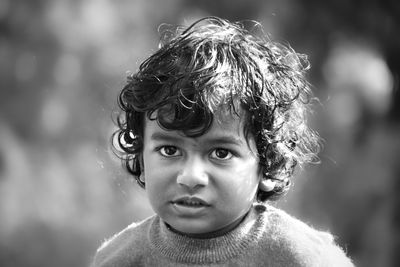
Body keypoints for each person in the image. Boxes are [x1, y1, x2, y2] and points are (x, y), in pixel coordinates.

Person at [92, 17, 354, 266]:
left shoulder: (304, 258)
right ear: (141, 157)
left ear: (266, 163)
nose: (191, 177)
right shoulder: (118, 260)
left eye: (220, 153)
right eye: (170, 149)